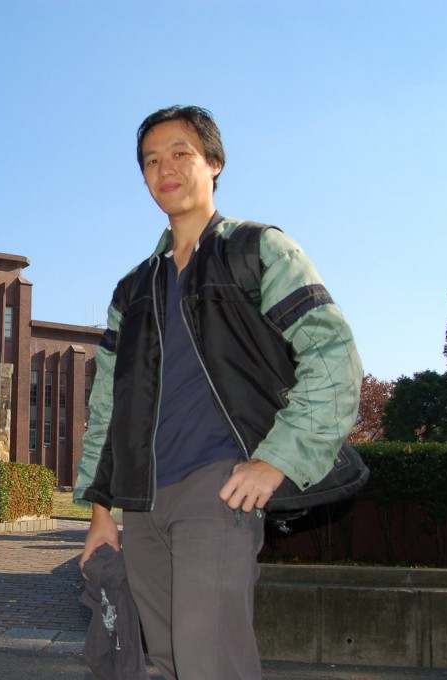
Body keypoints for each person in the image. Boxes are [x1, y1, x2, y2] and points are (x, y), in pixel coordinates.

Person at [75, 105, 361, 680]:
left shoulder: (258, 250)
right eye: (151, 161)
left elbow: (334, 358)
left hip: (218, 488)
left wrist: (276, 460)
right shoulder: (132, 290)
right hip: (142, 503)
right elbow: (109, 407)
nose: (165, 169)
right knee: (166, 661)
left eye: (180, 153)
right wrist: (101, 513)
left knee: (210, 661)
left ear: (214, 162)